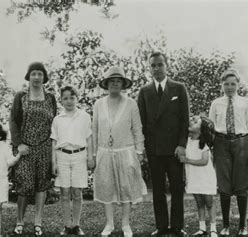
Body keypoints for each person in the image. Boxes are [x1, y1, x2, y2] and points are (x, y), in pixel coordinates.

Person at [137, 51, 190, 236]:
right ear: (149, 68)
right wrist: (142, 148)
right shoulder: (144, 91)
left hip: (174, 148)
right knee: (157, 190)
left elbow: (185, 120)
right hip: (154, 149)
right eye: (153, 65)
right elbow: (141, 123)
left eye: (160, 64)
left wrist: (182, 144)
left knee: (177, 188)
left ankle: (177, 226)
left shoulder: (179, 88)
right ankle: (161, 226)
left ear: (167, 65)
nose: (157, 68)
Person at [92, 66, 147, 237]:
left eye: (118, 81)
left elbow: (137, 129)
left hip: (126, 152)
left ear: (123, 84)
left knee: (126, 188)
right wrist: (93, 154)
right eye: (112, 81)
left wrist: (139, 152)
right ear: (107, 84)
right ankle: (109, 224)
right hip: (104, 152)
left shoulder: (131, 104)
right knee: (107, 187)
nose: (115, 84)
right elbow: (94, 130)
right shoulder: (98, 104)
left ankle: (125, 224)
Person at [9, 62, 57, 236]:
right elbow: (13, 121)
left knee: (42, 185)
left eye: (40, 74)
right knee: (24, 185)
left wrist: (53, 147)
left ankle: (38, 222)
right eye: (33, 74)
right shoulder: (20, 96)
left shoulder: (50, 97)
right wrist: (19, 144)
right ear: (28, 77)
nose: (37, 77)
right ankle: (20, 221)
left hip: (44, 148)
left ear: (44, 78)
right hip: (25, 149)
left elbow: (55, 123)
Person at [209, 69, 248, 236]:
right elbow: (210, 129)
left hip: (241, 143)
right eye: (226, 84)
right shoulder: (216, 103)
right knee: (223, 185)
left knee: (242, 185)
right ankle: (225, 225)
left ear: (238, 85)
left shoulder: (245, 102)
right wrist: (210, 150)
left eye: (233, 84)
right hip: (221, 144)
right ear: (221, 85)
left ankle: (243, 226)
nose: (229, 87)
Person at [50, 86, 94, 236]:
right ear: (61, 100)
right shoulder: (57, 119)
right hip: (62, 156)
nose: (69, 101)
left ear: (77, 98)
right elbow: (54, 142)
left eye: (72, 97)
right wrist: (54, 162)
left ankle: (76, 224)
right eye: (65, 98)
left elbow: (89, 138)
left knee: (77, 192)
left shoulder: (85, 116)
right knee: (64, 192)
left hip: (79, 156)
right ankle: (67, 226)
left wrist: (90, 157)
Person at [178, 115, 218, 237]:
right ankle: (202, 228)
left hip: (205, 178)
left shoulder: (203, 144)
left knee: (209, 203)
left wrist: (187, 160)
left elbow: (204, 161)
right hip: (194, 177)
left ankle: (213, 229)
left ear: (201, 129)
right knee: (199, 203)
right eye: (192, 119)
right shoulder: (188, 141)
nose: (191, 120)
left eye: (195, 121)